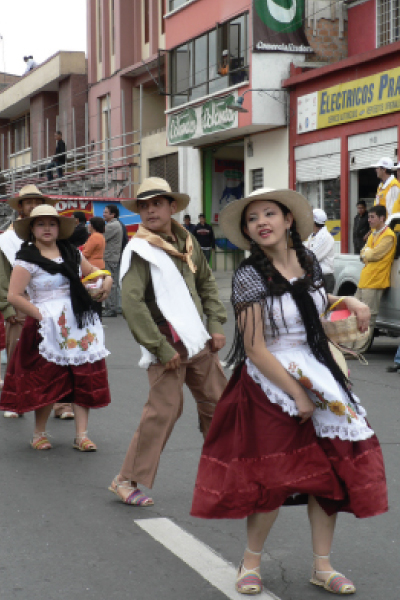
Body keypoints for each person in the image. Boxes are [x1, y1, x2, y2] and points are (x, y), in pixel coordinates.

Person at [191, 187, 388, 596]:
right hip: (271, 379)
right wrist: (297, 395)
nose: (261, 222)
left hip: (318, 369)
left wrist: (346, 300)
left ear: (287, 221)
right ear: (247, 231)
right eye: (252, 218)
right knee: (275, 475)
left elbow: (310, 306)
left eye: (269, 214)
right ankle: (250, 563)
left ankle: (323, 566)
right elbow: (256, 347)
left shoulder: (309, 261)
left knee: (330, 472)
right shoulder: (249, 275)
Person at [108, 177, 227, 507]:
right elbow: (132, 303)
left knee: (220, 404)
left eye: (156, 204)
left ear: (172, 207)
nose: (149, 211)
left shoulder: (186, 240)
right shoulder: (139, 249)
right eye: (144, 206)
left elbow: (207, 284)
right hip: (164, 341)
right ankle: (125, 479)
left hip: (195, 337)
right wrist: (160, 348)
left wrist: (215, 323)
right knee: (165, 411)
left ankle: (226, 471)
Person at [0, 205, 113, 451]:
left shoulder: (71, 252)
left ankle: (82, 435)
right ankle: (39, 433)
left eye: (51, 224)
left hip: (79, 323)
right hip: (46, 327)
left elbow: (95, 273)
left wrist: (107, 280)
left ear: (59, 228)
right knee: (47, 378)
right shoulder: (26, 258)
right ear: (32, 229)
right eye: (41, 224)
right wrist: (43, 316)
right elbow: (14, 295)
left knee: (83, 376)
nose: (47, 229)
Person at [0, 185, 58, 418]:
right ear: (21, 207)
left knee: (58, 354)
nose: (32, 205)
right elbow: (2, 275)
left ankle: (60, 403)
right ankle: (17, 402)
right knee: (18, 355)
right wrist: (6, 306)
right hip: (20, 301)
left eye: (37, 201)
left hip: (54, 303)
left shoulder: (54, 237)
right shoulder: (7, 239)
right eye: (28, 202)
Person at [355, 204, 396, 353]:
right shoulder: (373, 234)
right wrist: (367, 253)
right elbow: (363, 253)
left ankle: (359, 349)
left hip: (376, 281)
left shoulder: (389, 236)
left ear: (382, 218)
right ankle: (352, 346)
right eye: (369, 217)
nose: (369, 220)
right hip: (365, 279)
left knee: (368, 317)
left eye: (372, 217)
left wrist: (367, 253)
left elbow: (372, 255)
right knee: (355, 315)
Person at [304, 208, 335, 292]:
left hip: (324, 277)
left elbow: (312, 257)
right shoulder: (313, 235)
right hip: (315, 276)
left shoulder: (325, 237)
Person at [103, 204, 123, 317]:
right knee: (113, 282)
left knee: (110, 283)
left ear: (113, 214)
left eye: (106, 212)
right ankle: (113, 307)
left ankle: (111, 308)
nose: (103, 214)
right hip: (112, 257)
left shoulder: (112, 226)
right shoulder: (115, 224)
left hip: (110, 257)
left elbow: (102, 236)